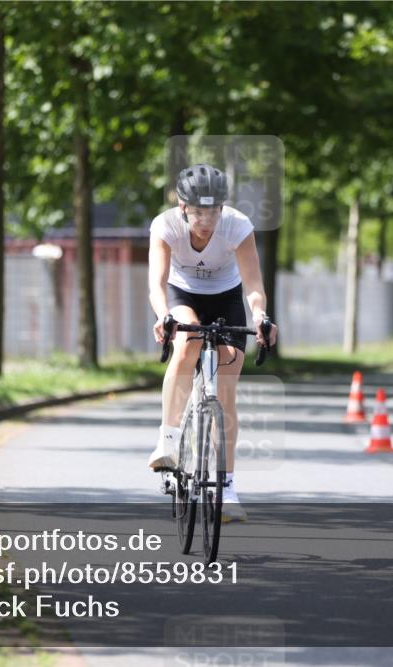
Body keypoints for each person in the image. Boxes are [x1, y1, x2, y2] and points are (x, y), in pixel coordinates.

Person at [146, 163, 278, 522]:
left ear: (223, 207)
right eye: (199, 212)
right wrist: (163, 316)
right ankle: (169, 439)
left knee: (228, 382)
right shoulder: (165, 226)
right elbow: (157, 283)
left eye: (214, 211)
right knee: (187, 343)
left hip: (226, 296)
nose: (207, 220)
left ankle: (228, 487)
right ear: (182, 206)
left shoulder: (238, 226)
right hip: (181, 292)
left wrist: (261, 317)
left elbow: (252, 285)